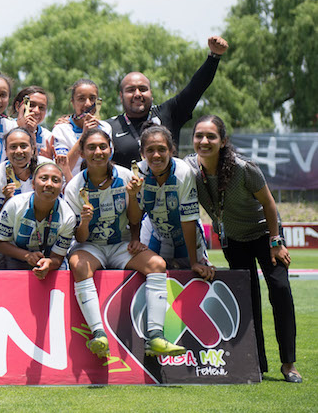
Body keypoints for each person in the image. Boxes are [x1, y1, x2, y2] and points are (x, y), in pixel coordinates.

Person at [187, 115, 300, 383]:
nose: (204, 141)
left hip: (265, 235)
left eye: (211, 136)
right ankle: (256, 364)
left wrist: (276, 241)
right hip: (234, 239)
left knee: (280, 290)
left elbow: (270, 204)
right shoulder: (189, 169)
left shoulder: (243, 168)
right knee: (247, 301)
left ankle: (289, 365)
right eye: (199, 136)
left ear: (223, 141)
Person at [64, 128, 184, 358]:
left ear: (111, 149)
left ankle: (155, 336)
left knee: (157, 264)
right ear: (82, 152)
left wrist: (136, 229)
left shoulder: (127, 176)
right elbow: (78, 238)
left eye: (102, 147)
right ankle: (98, 334)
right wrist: (85, 222)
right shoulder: (73, 188)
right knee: (79, 265)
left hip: (122, 245)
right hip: (91, 246)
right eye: (91, 147)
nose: (98, 152)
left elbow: (135, 219)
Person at [107, 36, 229, 168]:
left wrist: (214, 57)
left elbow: (195, 88)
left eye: (143, 89)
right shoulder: (109, 127)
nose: (137, 94)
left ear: (151, 94)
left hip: (170, 187)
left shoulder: (169, 113)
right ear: (121, 96)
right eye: (131, 90)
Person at [136, 125, 214, 277]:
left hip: (185, 235)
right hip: (155, 233)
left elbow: (188, 220)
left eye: (162, 149)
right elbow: (135, 214)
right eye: (150, 150)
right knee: (148, 275)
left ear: (172, 151)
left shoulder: (183, 172)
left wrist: (194, 262)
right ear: (142, 153)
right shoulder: (137, 172)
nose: (156, 155)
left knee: (195, 274)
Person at [0, 162, 75, 271]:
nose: (49, 184)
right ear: (33, 184)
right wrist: (27, 256)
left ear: (61, 187)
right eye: (43, 178)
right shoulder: (15, 205)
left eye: (55, 180)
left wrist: (49, 263)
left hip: (51, 266)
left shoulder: (68, 216)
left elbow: (57, 258)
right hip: (17, 261)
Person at [52, 79, 112, 178]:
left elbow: (106, 163)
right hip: (71, 189)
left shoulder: (105, 128)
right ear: (73, 102)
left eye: (92, 98)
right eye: (81, 99)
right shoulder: (61, 130)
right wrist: (84, 135)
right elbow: (62, 169)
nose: (88, 104)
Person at [0, 127, 54, 218]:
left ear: (33, 149)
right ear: (6, 151)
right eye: (13, 147)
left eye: (23, 146)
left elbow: (58, 206)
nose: (19, 151)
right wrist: (7, 201)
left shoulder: (47, 168)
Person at [10, 86, 54, 156]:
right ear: (17, 106)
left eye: (41, 107)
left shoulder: (48, 138)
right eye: (31, 105)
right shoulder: (6, 128)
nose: (36, 111)